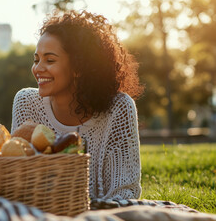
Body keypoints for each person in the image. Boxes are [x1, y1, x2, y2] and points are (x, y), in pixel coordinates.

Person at [11, 10, 144, 200]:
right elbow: (17, 181)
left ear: (79, 67)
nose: (38, 68)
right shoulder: (26, 102)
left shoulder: (119, 108)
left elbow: (124, 191)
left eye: (50, 60)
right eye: (36, 59)